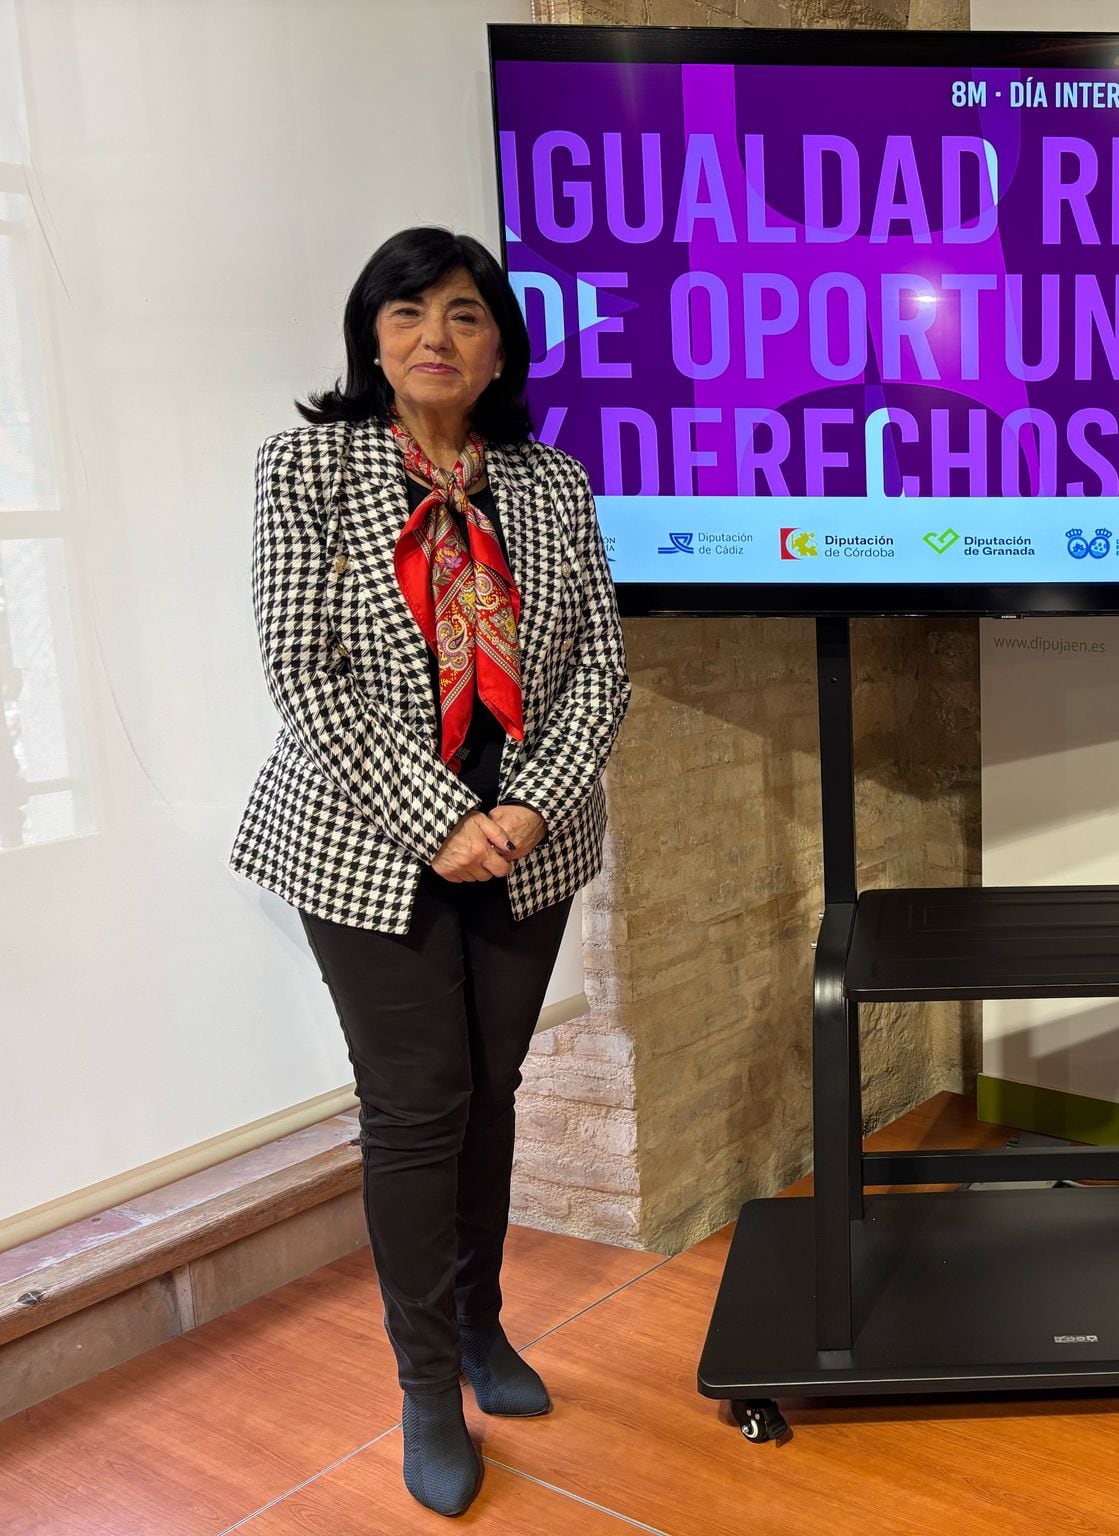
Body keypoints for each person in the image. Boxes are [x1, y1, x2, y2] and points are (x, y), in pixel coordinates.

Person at [231, 227, 630, 1516]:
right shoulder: (308, 468)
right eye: (407, 315)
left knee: (492, 1092)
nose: (436, 338)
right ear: (372, 338)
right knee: (418, 1107)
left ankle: (479, 1328)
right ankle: (420, 1383)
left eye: (463, 314)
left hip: (527, 843)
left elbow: (599, 674)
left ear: (500, 342)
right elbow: (307, 676)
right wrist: (437, 820)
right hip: (365, 844)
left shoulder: (552, 483)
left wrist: (517, 813)